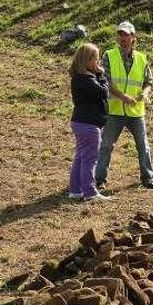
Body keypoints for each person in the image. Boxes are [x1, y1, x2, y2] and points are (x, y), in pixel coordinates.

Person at [95, 21, 153, 190]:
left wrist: (145, 93)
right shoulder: (109, 55)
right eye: (120, 34)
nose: (122, 38)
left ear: (133, 37)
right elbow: (105, 81)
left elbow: (148, 81)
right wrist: (123, 97)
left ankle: (147, 178)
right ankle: (99, 179)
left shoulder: (142, 59)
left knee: (143, 146)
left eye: (126, 34)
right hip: (114, 111)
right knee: (106, 146)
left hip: (136, 111)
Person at [68, 43, 112, 202]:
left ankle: (75, 190)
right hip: (89, 124)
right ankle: (90, 192)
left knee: (80, 155)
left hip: (80, 121)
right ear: (87, 60)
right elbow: (103, 92)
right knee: (90, 158)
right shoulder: (86, 78)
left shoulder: (78, 78)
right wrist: (102, 75)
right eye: (96, 59)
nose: (98, 63)